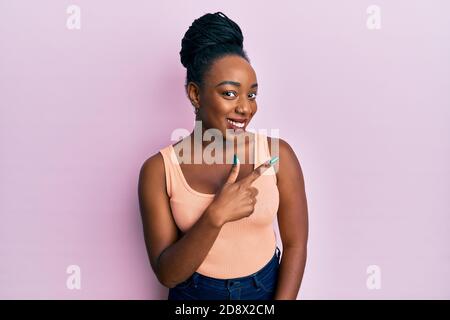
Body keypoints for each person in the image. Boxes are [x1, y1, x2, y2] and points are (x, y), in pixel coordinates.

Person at [138, 12, 308, 300]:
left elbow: (295, 245)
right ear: (195, 94)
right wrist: (216, 215)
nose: (246, 109)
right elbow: (167, 274)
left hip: (264, 290)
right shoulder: (159, 170)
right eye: (230, 94)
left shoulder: (278, 156)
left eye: (251, 95)